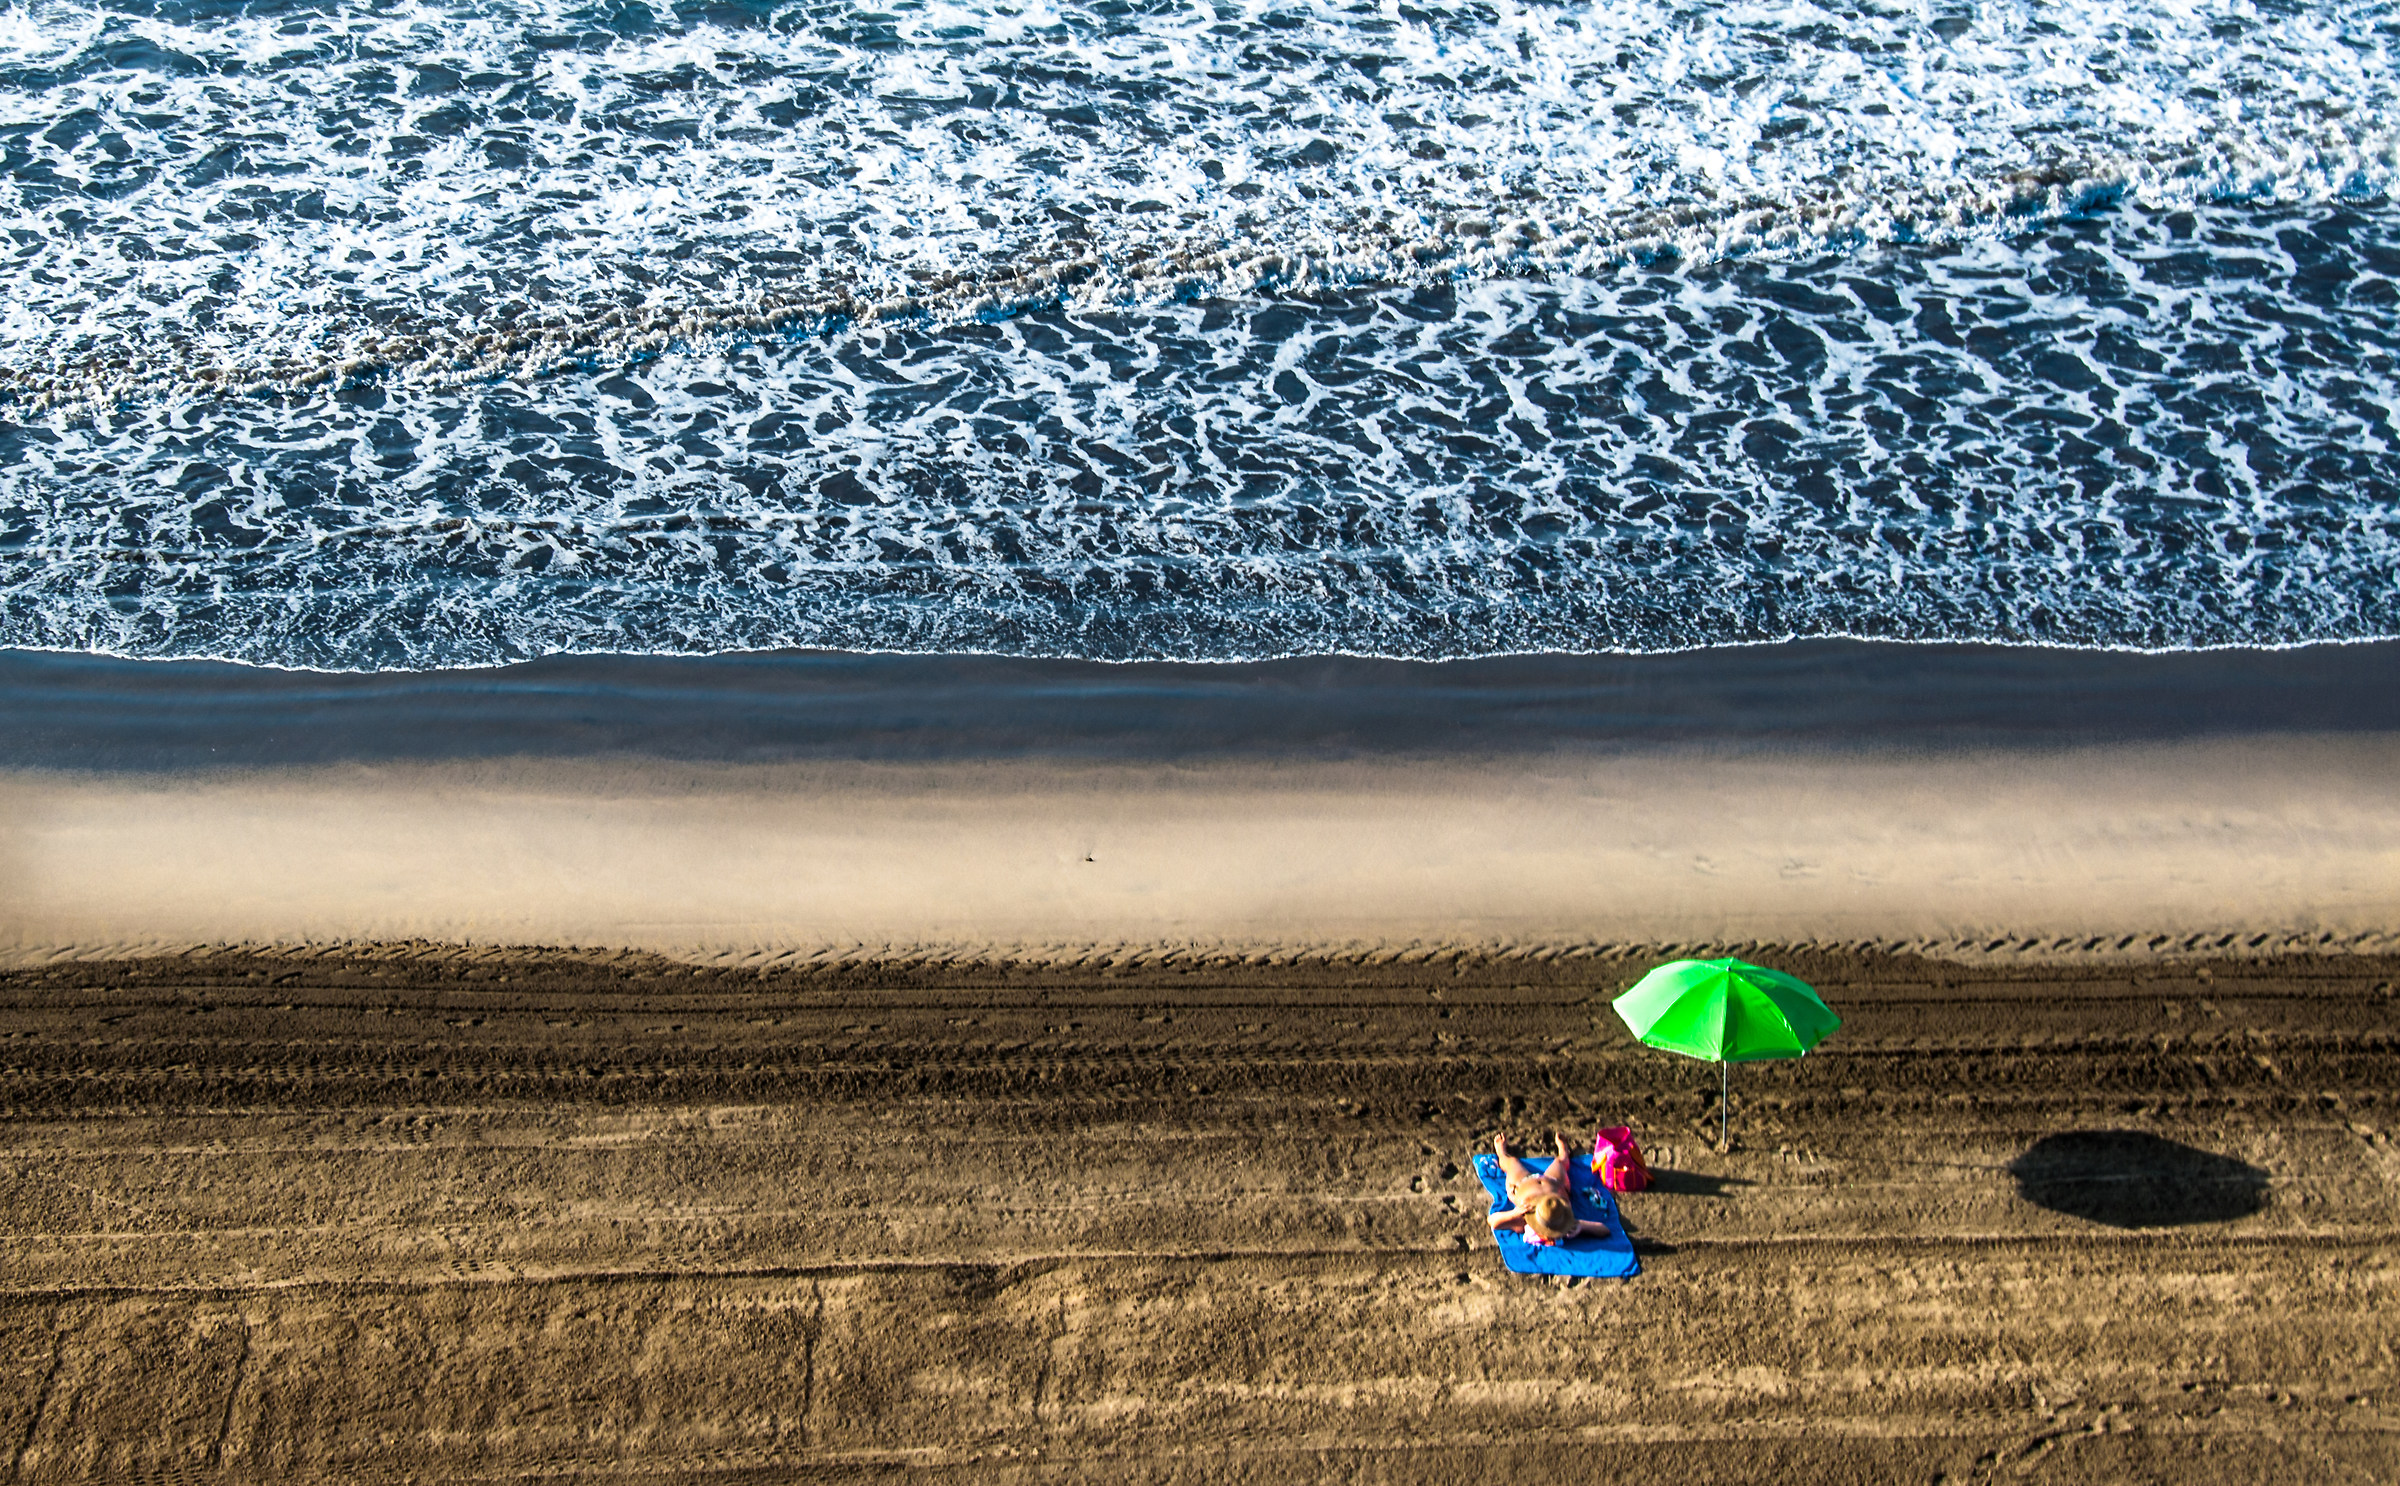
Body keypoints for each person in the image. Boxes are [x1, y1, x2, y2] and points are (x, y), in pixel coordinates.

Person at [1488, 1132, 1608, 1246]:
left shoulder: (1523, 1220)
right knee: (1560, 1162)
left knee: (1511, 1163)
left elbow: (1492, 1221)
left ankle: (1501, 1153)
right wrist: (1582, 1226)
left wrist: (1513, 1213)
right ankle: (1563, 1151)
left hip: (1523, 1184)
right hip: (1554, 1182)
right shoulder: (1564, 1221)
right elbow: (1604, 1229)